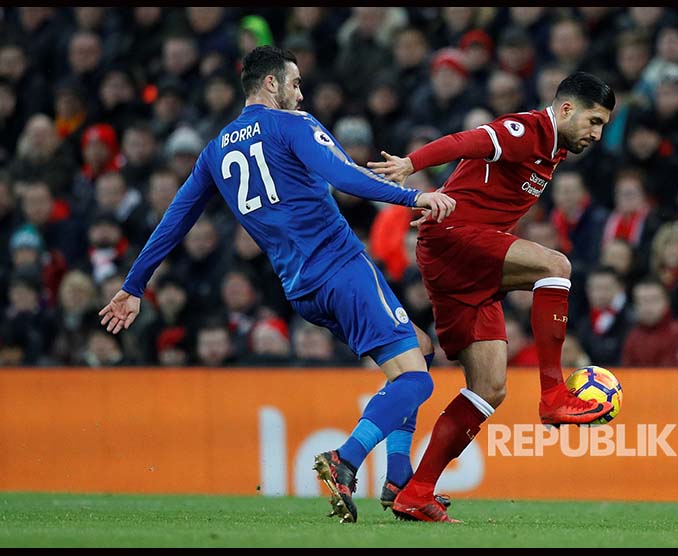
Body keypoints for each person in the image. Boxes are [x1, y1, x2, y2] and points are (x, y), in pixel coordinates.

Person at [98, 46, 456, 524]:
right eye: (295, 82)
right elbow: (345, 176)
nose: (300, 92)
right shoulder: (293, 125)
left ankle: (397, 478)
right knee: (416, 379)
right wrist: (414, 196)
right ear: (271, 84)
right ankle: (345, 460)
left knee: (418, 344)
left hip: (301, 289)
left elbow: (175, 220)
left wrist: (134, 285)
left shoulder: (216, 149)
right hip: (342, 268)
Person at [369, 71, 615, 521]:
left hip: (459, 251)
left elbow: (476, 184)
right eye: (594, 121)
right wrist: (411, 164)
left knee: (489, 389)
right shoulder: (528, 130)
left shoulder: (555, 149)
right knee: (556, 267)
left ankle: (417, 492)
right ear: (565, 110)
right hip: (455, 239)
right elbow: (467, 141)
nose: (597, 134)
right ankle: (554, 393)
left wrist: (448, 196)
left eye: (603, 127)